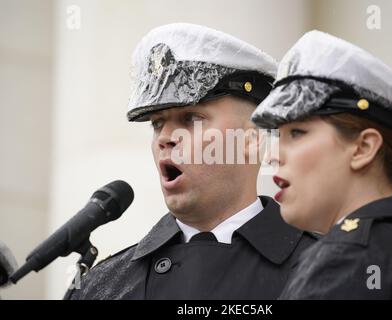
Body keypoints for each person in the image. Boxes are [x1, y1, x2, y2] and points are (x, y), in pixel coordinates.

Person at [67, 23, 317, 300]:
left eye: (192, 119)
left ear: (252, 139)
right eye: (157, 123)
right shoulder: (103, 286)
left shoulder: (327, 272)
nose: (166, 138)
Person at [252, 30, 392, 299]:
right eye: (278, 135)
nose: (272, 156)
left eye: (297, 133)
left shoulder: (346, 260)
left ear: (363, 148)